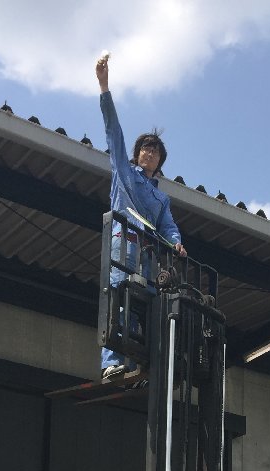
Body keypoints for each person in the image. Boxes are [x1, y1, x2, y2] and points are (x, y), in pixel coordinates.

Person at [95, 55, 187, 382]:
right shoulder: (124, 172)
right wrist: (104, 87)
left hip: (148, 254)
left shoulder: (161, 197)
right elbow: (113, 133)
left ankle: (137, 361)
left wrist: (176, 244)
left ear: (160, 161)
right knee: (119, 292)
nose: (149, 153)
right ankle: (111, 361)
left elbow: (168, 227)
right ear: (136, 154)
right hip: (124, 242)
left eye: (155, 151)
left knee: (144, 302)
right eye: (145, 149)